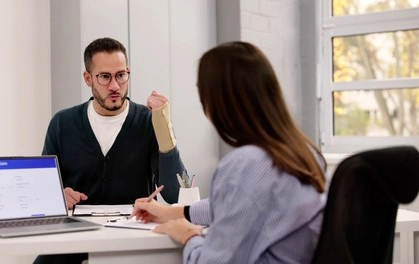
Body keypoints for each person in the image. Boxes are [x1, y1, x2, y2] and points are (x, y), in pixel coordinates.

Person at [132, 41, 327, 263]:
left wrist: (188, 235)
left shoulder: (245, 165)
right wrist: (171, 213)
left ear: (219, 101)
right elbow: (231, 205)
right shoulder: (304, 152)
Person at [34, 37, 185, 264]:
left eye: (121, 75)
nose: (115, 86)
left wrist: (164, 128)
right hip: (75, 238)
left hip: (133, 239)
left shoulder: (148, 122)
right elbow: (41, 192)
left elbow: (175, 195)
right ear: (88, 78)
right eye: (105, 77)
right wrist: (57, 195)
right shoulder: (62, 123)